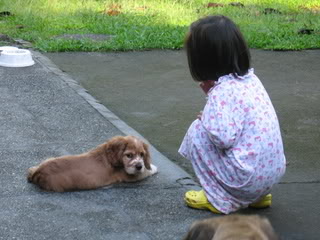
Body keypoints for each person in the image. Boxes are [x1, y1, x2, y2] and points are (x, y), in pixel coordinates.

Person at [179, 15, 286, 214]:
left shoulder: (222, 91)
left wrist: (207, 115)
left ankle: (217, 198)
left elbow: (222, 138)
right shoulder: (251, 79)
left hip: (245, 181)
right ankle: (258, 198)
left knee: (197, 132)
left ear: (201, 61)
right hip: (270, 176)